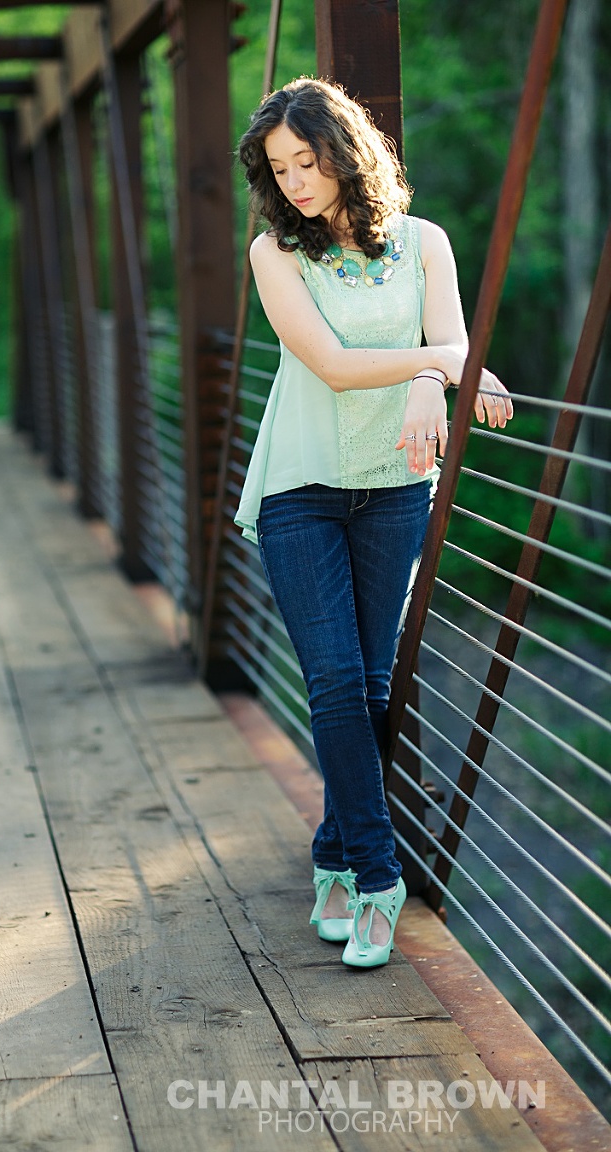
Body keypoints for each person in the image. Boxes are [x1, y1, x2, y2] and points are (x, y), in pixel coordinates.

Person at [235, 77, 513, 969]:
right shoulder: (276, 253)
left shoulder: (427, 245)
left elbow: (445, 350)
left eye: (307, 163)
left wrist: (437, 380)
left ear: (345, 153)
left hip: (396, 488)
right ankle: (377, 874)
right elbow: (338, 366)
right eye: (280, 170)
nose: (295, 185)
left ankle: (330, 854)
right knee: (334, 680)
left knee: (367, 689)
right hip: (301, 488)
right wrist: (453, 366)